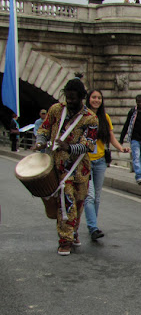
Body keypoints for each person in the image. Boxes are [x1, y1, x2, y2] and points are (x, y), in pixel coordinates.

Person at [34, 78, 98, 255]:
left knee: (78, 203)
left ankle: (73, 231)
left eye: (73, 98)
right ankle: (65, 240)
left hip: (80, 168)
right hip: (60, 169)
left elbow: (89, 145)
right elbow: (44, 129)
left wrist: (68, 147)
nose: (69, 101)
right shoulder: (56, 110)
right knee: (65, 202)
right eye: (67, 97)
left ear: (81, 97)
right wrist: (40, 143)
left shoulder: (90, 118)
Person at [84, 89, 130, 241]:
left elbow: (111, 137)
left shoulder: (105, 118)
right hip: (85, 161)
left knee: (97, 197)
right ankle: (93, 227)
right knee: (89, 196)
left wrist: (121, 148)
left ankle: (93, 225)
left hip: (100, 161)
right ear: (88, 99)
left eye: (99, 98)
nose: (96, 100)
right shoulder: (82, 116)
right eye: (93, 97)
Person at [119, 94, 141, 185]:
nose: (139, 104)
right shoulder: (132, 112)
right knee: (136, 156)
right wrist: (122, 138)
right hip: (134, 138)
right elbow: (127, 124)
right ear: (136, 102)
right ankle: (138, 176)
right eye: (138, 102)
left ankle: (140, 175)